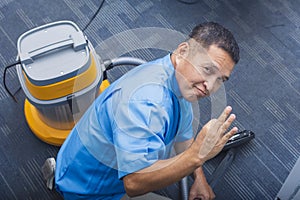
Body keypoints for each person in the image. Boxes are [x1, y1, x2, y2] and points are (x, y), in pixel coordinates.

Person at [49, 21, 240, 200]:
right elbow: (134, 183)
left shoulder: (181, 81)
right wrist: (197, 156)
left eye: (220, 80)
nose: (210, 86)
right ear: (183, 51)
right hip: (88, 190)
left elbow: (183, 139)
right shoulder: (146, 101)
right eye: (207, 69)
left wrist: (199, 179)